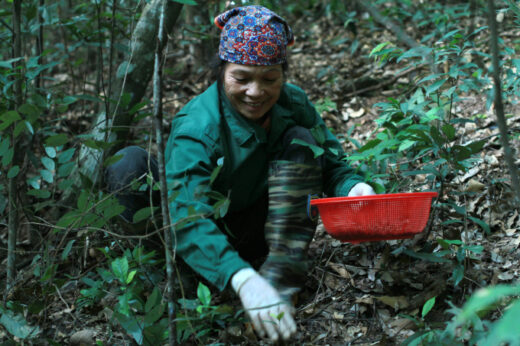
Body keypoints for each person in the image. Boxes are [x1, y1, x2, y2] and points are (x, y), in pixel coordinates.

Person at [105, 5, 375, 341]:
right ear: (221, 71)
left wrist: (355, 188)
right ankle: (166, 273)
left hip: (254, 227)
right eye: (241, 78)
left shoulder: (293, 103)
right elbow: (185, 217)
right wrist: (242, 278)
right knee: (126, 164)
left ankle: (280, 277)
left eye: (270, 79)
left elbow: (332, 161)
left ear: (283, 75)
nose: (256, 92)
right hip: (195, 237)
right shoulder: (198, 126)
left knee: (302, 141)